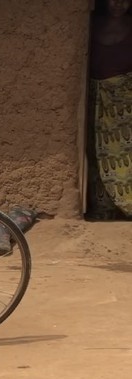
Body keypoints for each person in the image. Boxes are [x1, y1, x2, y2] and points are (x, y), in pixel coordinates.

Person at [87, 0, 132, 219]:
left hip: (126, 104)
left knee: (126, 155)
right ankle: (104, 208)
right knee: (97, 153)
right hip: (96, 101)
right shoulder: (91, 24)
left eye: (124, 0)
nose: (118, 4)